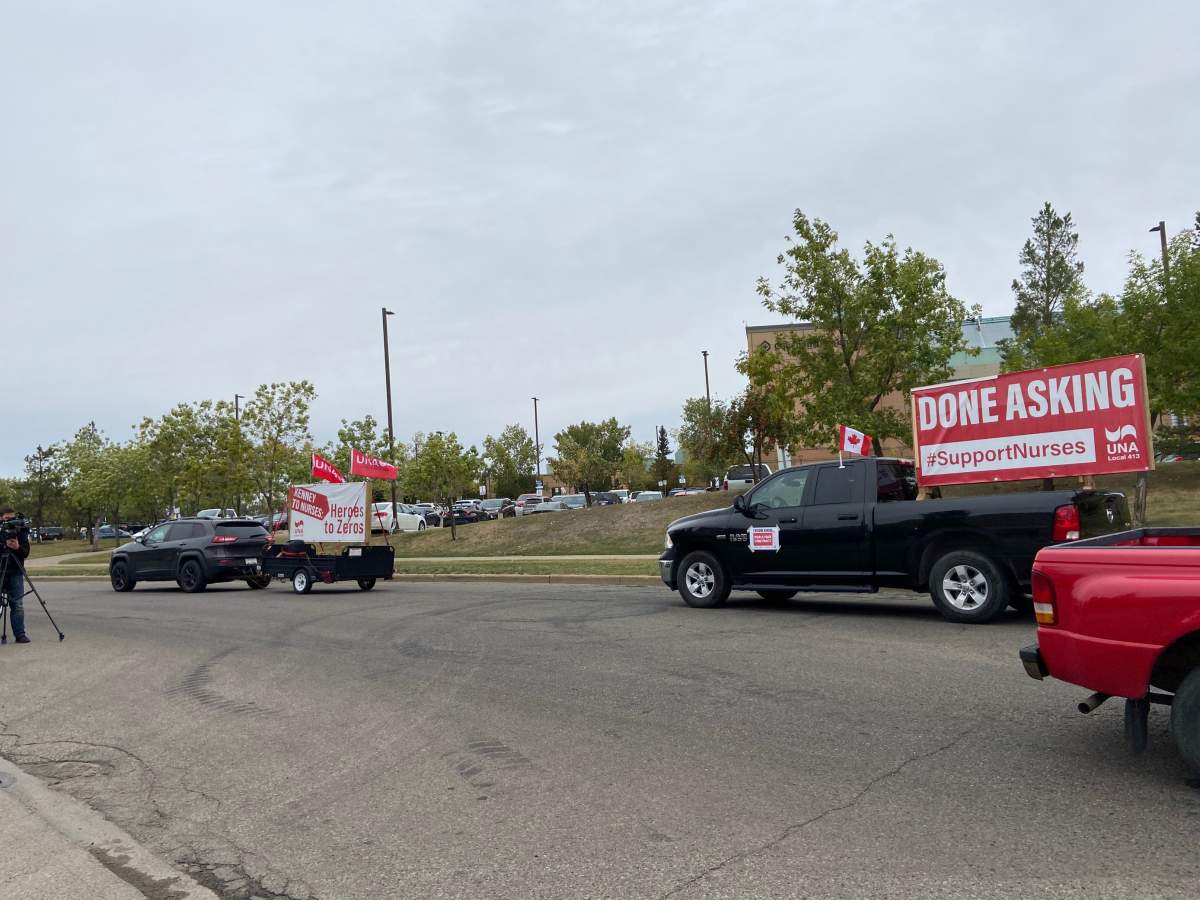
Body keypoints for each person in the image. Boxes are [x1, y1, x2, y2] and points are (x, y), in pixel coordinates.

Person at [1, 506, 31, 643]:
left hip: (16, 571)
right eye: (7, 519)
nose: (11, 522)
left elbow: (25, 553)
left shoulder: (21, 531)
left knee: (17, 604)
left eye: (12, 519)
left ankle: (20, 634)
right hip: (0, 570)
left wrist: (17, 547)